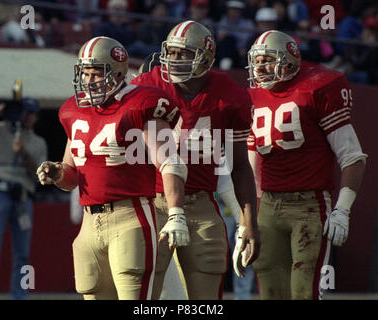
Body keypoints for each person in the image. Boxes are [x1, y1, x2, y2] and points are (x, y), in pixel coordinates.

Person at [36, 36, 188, 300]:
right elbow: (71, 176)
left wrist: (175, 211)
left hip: (131, 216)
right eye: (85, 72)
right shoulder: (74, 111)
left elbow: (169, 162)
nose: (89, 79)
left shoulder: (143, 103)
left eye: (97, 72)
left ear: (118, 73)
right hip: (88, 222)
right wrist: (57, 172)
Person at [131, 20, 260, 300]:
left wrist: (247, 222)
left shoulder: (230, 96)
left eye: (184, 54)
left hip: (201, 204)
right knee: (149, 295)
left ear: (206, 58)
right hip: (152, 204)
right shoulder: (147, 83)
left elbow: (238, 168)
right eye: (172, 52)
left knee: (206, 296)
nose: (175, 60)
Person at [243, 30, 367, 300]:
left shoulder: (318, 86)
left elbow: (353, 157)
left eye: (267, 59)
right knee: (270, 292)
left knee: (303, 291)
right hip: (267, 205)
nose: (259, 67)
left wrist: (342, 210)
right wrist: (247, 220)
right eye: (257, 60)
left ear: (288, 61)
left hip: (308, 205)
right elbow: (252, 164)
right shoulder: (253, 96)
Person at [0, 98, 47, 300]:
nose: (27, 117)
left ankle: (21, 296)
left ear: (36, 117)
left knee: (23, 255)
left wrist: (25, 155)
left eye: (31, 113)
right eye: (24, 112)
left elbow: (42, 176)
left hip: (22, 198)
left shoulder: (38, 142)